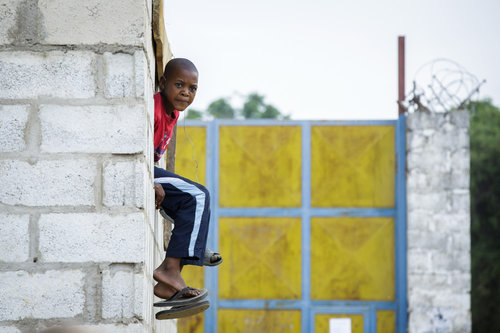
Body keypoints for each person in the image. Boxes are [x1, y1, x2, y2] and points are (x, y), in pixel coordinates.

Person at [152, 58, 218, 318]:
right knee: (197, 195)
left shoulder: (173, 114)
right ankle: (171, 269)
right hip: (143, 169)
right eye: (179, 85)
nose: (185, 93)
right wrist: (150, 180)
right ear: (163, 83)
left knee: (188, 200)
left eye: (192, 88)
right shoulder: (155, 107)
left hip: (150, 168)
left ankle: (169, 283)